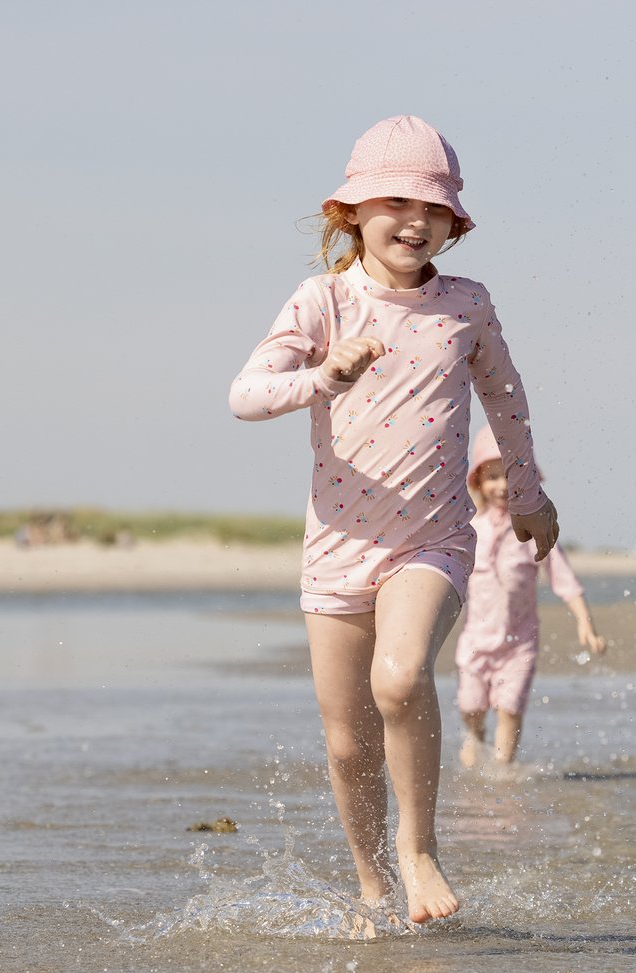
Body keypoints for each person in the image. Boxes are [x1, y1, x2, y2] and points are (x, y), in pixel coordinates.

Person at [228, 115, 561, 924]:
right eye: (395, 202)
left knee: (401, 675)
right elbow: (244, 395)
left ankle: (419, 850)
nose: (415, 220)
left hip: (434, 539)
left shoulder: (466, 306)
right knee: (348, 743)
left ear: (454, 222)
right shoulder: (325, 302)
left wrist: (527, 493)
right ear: (350, 213)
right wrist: (322, 377)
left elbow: (506, 400)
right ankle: (374, 888)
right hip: (338, 546)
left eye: (435, 207)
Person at [455, 428, 606, 770]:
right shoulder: (470, 528)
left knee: (509, 709)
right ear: (478, 481)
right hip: (477, 640)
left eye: (510, 475)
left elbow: (564, 579)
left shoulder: (534, 530)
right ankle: (475, 735)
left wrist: (585, 623)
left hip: (519, 643)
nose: (502, 486)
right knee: (471, 705)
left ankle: (502, 771)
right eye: (492, 477)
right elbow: (449, 580)